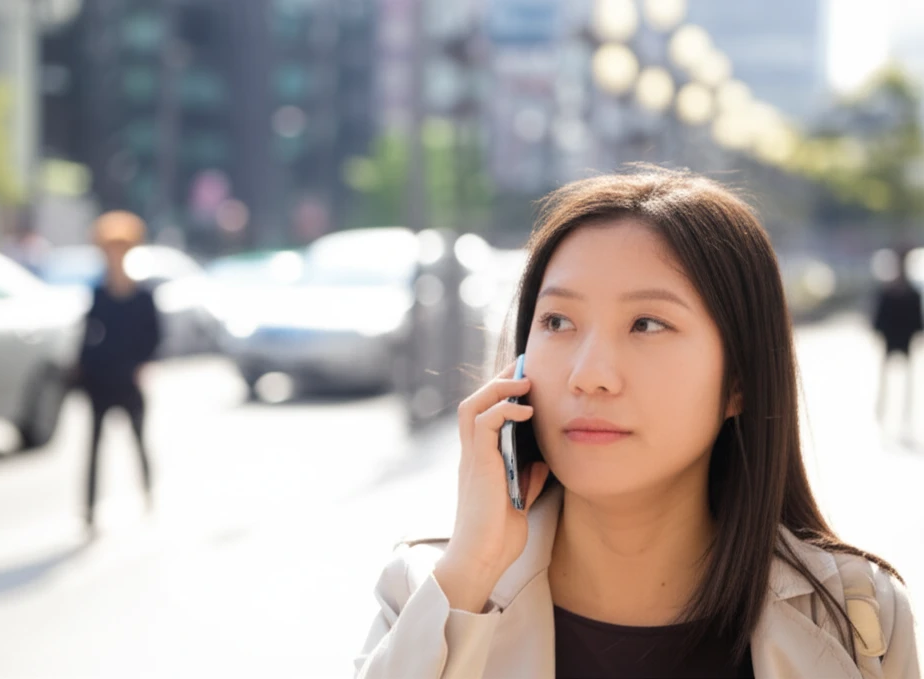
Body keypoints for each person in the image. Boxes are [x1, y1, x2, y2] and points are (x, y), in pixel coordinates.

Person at [354, 169, 919, 678]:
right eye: (557, 321)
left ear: (739, 381)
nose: (589, 375)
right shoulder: (428, 590)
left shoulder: (857, 613)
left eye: (647, 323)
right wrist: (471, 572)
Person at [75, 210, 161, 532]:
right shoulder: (99, 293)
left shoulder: (143, 296)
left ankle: (148, 492)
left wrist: (143, 365)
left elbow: (154, 337)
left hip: (129, 378)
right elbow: (87, 335)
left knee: (138, 440)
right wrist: (81, 368)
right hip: (100, 378)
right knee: (94, 445)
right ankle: (89, 510)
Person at [872, 248, 923, 433]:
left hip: (903, 340)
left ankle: (903, 417)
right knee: (886, 380)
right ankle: (882, 412)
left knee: (905, 382)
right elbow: (879, 319)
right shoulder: (889, 292)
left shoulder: (911, 293)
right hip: (892, 340)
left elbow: (917, 322)